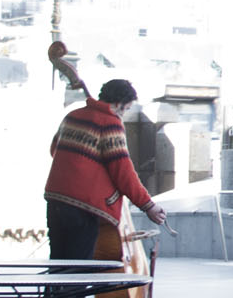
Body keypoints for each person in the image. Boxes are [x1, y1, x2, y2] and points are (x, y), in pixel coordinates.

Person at [44, 76, 167, 261]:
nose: (123, 114)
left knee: (58, 262)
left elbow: (55, 151)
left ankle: (52, 291)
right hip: (83, 208)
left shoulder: (72, 116)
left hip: (56, 200)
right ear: (118, 104)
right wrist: (148, 205)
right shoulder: (110, 123)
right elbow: (123, 171)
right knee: (77, 267)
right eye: (125, 109)